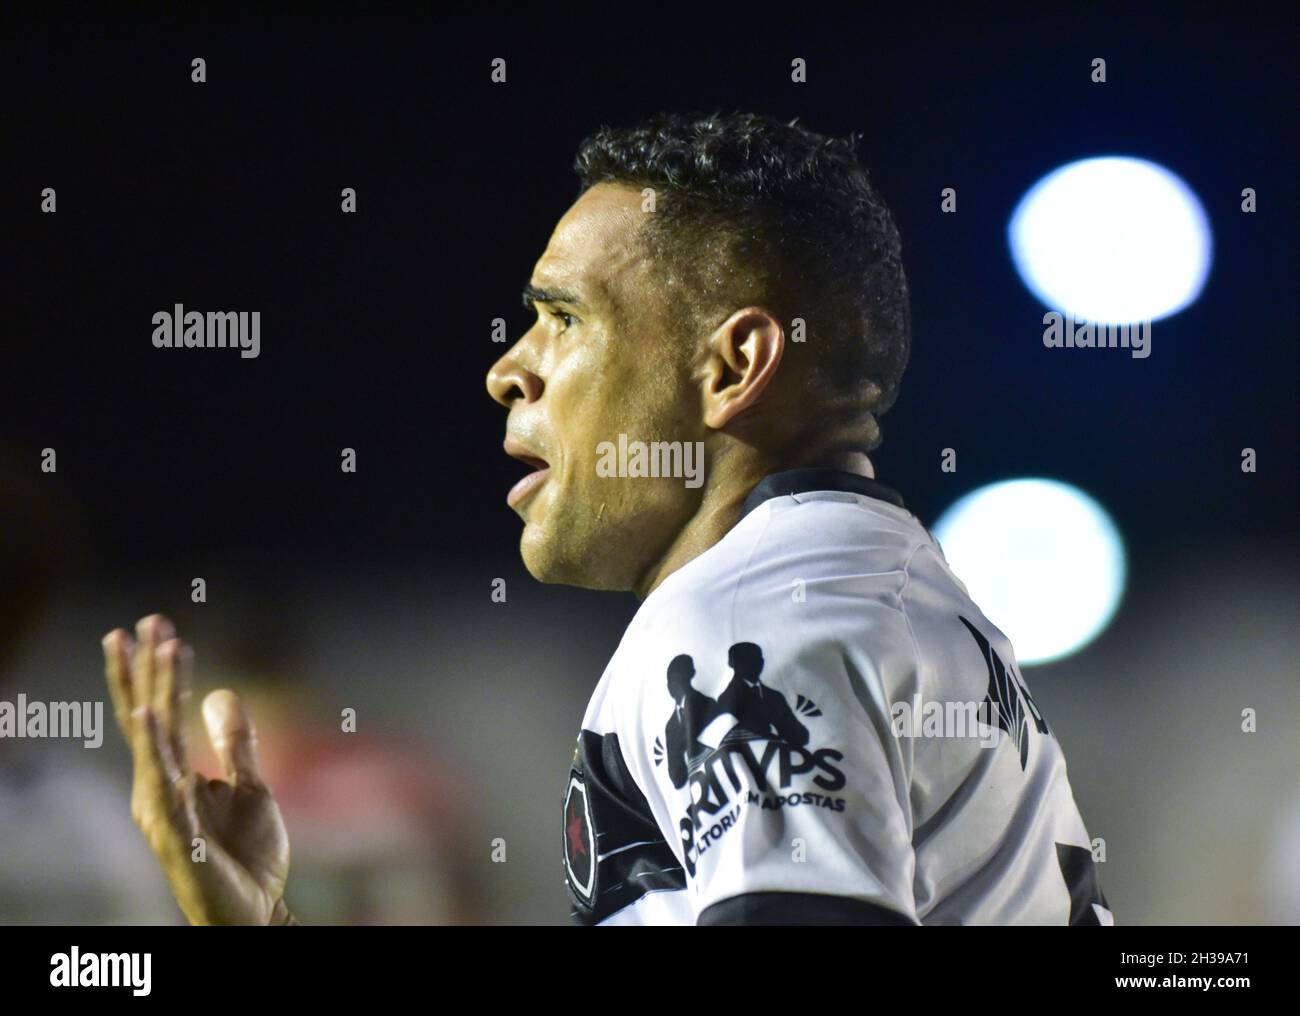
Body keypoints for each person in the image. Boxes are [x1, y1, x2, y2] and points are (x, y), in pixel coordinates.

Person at [104, 110, 1110, 926]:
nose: (509, 368)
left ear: (730, 367)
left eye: (566, 317)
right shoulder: (903, 603)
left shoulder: (746, 622)